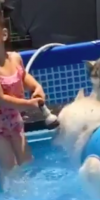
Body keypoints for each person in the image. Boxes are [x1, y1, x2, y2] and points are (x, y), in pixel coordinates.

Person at [0, 15, 45, 188]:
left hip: (15, 122)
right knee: (11, 168)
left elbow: (24, 76)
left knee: (27, 162)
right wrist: (29, 104)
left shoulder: (15, 58)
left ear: (4, 34)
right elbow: (2, 99)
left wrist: (36, 87)